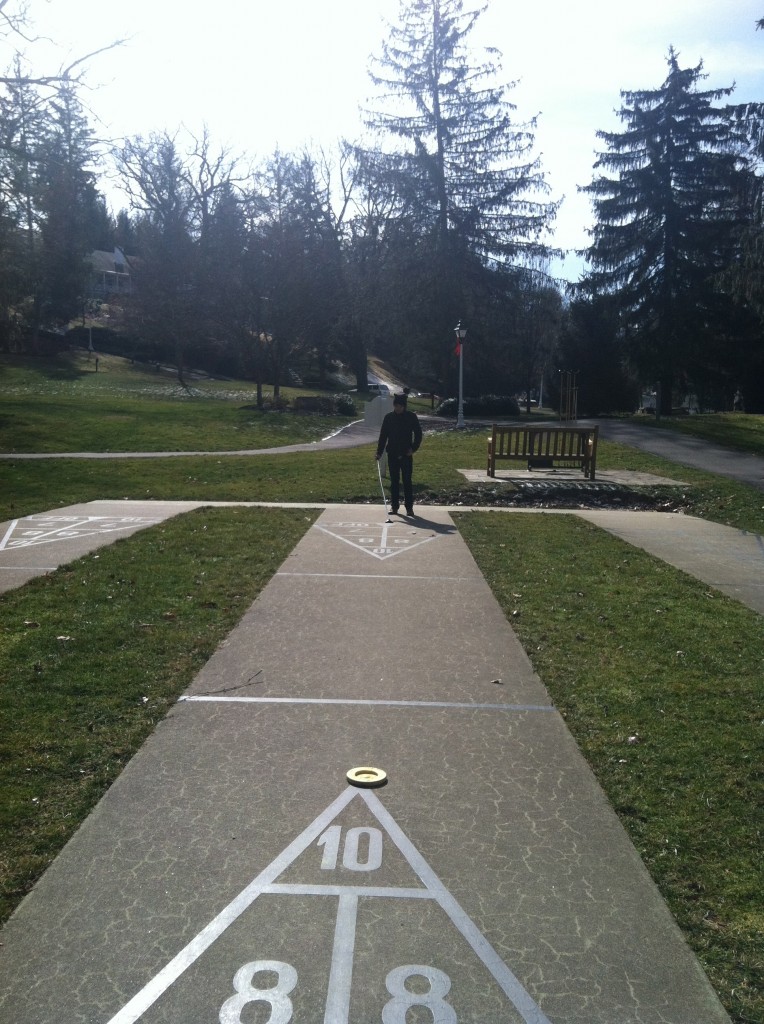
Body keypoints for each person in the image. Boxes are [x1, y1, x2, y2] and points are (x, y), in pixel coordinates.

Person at [375, 393, 423, 516]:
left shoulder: (411, 417)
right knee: (394, 482)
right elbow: (383, 436)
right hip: (392, 453)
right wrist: (379, 452)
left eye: (400, 406)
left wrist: (413, 448)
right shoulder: (389, 417)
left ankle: (409, 508)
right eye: (396, 405)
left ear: (404, 406)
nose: (398, 408)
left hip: (406, 454)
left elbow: (418, 434)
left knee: (407, 481)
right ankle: (394, 507)